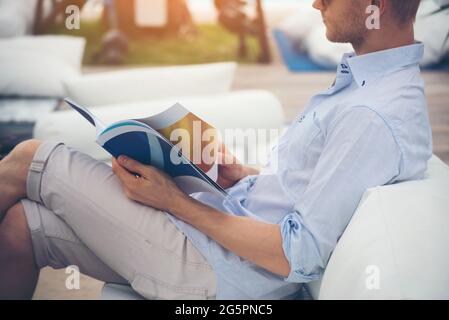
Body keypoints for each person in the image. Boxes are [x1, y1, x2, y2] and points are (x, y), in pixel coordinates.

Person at [0, 0, 432, 300]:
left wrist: (173, 201)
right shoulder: (370, 88)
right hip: (216, 243)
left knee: (29, 158)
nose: (317, 4)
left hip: (218, 272)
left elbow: (294, 254)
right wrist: (239, 176)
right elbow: (305, 196)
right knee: (23, 227)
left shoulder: (371, 114)